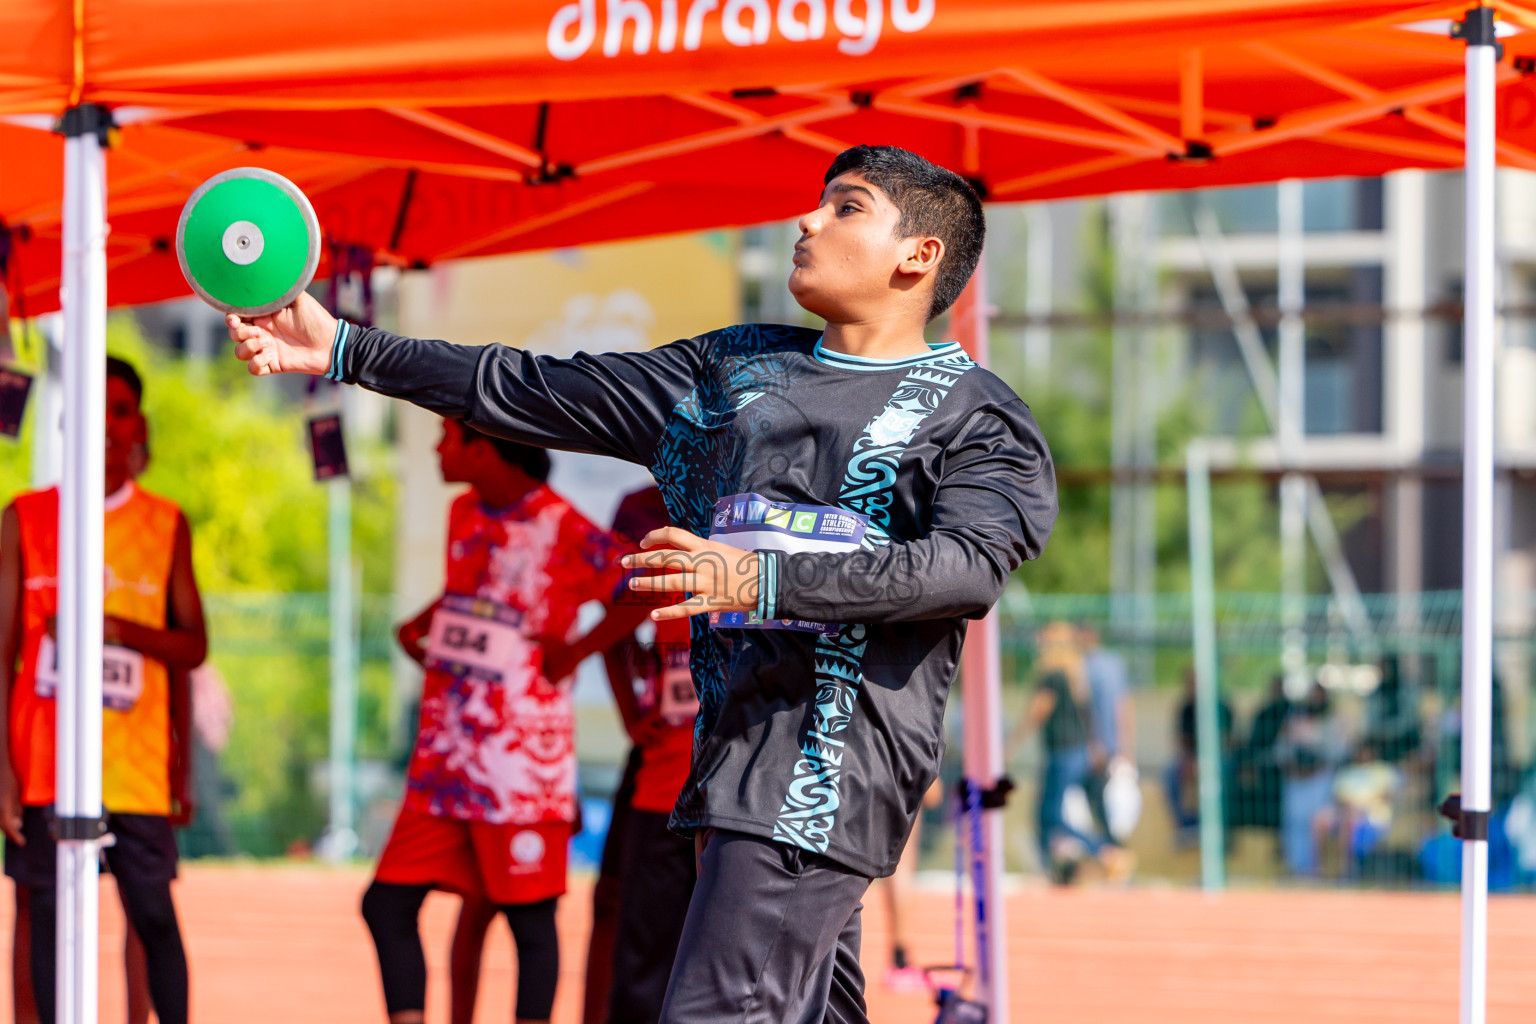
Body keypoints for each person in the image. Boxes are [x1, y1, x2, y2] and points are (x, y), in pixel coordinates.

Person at [227, 143, 1056, 1023]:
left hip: (823, 780)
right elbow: (532, 389)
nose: (807, 221)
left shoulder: (980, 418)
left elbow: (963, 570)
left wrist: (760, 578)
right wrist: (347, 348)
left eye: (846, 207)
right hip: (730, 773)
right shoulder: (731, 373)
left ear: (917, 256)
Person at [364, 418, 644, 1024]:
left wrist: (576, 650)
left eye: (447, 437)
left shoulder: (561, 523)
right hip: (443, 760)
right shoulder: (464, 511)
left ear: (485, 449)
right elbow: (475, 593)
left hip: (519, 769)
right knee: (386, 905)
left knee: (530, 921)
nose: (437, 447)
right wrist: (421, 625)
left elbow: (639, 589)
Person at [0, 357, 206, 1024]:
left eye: (121, 411)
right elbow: (4, 652)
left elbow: (191, 648)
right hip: (44, 766)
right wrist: (3, 771)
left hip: (138, 770)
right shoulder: (26, 518)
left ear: (138, 423)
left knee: (151, 916)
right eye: (95, 410)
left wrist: (115, 629)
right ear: (68, 421)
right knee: (40, 910)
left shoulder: (165, 522)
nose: (108, 426)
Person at [586, 485, 699, 1024]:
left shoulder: (761, 494)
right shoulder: (639, 509)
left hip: (739, 771)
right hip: (662, 768)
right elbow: (615, 622)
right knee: (622, 908)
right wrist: (633, 715)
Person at [1007, 622, 1131, 883]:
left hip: (1063, 753)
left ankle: (1103, 851)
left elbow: (1038, 711)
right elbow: (1088, 714)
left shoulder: (1052, 675)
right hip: (1081, 752)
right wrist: (1095, 746)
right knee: (1047, 815)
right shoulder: (1076, 674)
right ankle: (1051, 868)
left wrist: (1011, 743)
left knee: (1049, 814)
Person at [1080, 625, 1135, 838]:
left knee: (1100, 805)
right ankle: (1110, 846)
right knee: (1098, 805)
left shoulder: (1088, 666)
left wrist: (1124, 748)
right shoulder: (1111, 663)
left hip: (1099, 748)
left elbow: (1121, 707)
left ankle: (1110, 848)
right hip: (1104, 747)